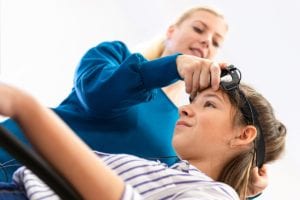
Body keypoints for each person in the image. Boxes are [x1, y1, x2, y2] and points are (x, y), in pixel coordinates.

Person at [0, 6, 267, 197]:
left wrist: (245, 184)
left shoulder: (185, 130)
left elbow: (184, 185)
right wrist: (174, 65)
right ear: (171, 31)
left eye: (215, 42)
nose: (206, 41)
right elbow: (98, 96)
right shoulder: (113, 56)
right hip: (10, 156)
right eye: (199, 28)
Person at [0, 74, 286, 199]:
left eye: (209, 104)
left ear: (244, 134)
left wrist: (28, 109)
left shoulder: (219, 194)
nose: (184, 109)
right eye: (193, 101)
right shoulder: (170, 175)